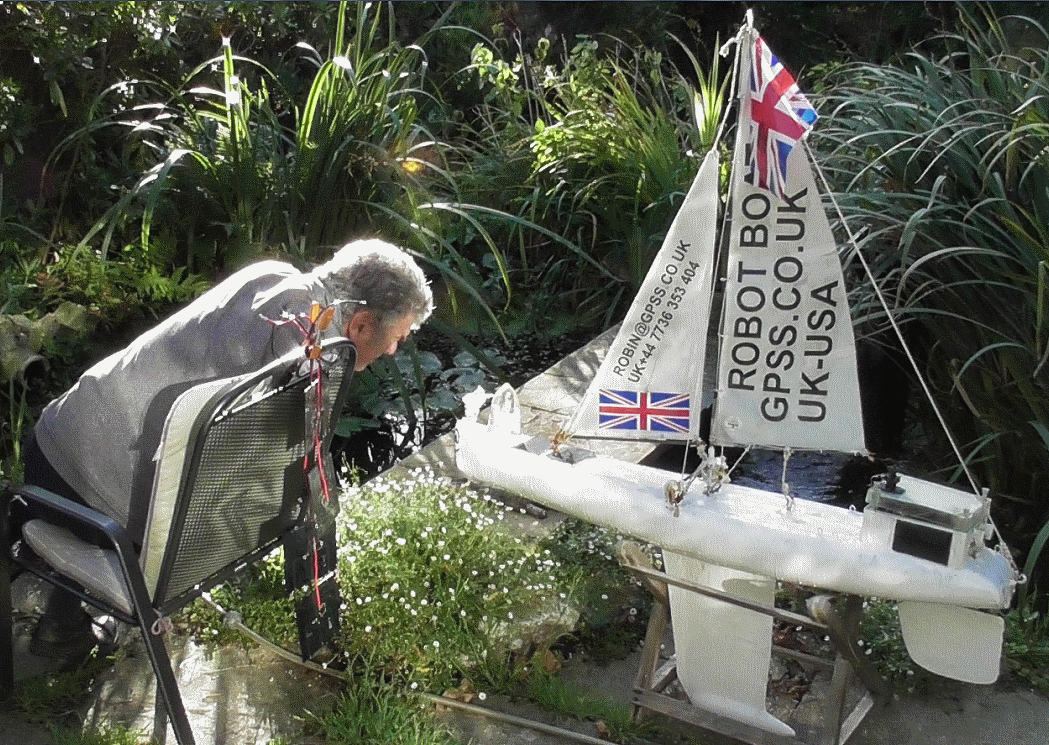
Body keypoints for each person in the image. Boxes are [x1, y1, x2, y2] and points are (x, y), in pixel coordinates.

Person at [19, 238, 433, 664]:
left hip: (50, 445)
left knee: (130, 451)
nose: (393, 350)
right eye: (397, 337)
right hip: (105, 519)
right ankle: (74, 614)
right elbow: (274, 484)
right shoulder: (314, 360)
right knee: (159, 495)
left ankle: (61, 626)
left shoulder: (269, 276)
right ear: (361, 325)